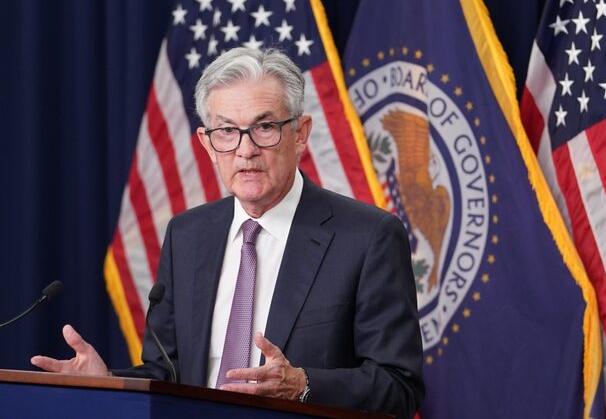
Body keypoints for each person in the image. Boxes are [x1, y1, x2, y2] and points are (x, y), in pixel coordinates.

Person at [31, 47, 424, 419]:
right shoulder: (187, 235)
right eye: (227, 131)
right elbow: (169, 374)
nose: (245, 149)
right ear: (207, 143)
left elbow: (399, 387)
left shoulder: (367, 237)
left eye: (264, 127)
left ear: (301, 133)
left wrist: (303, 385)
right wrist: (107, 384)